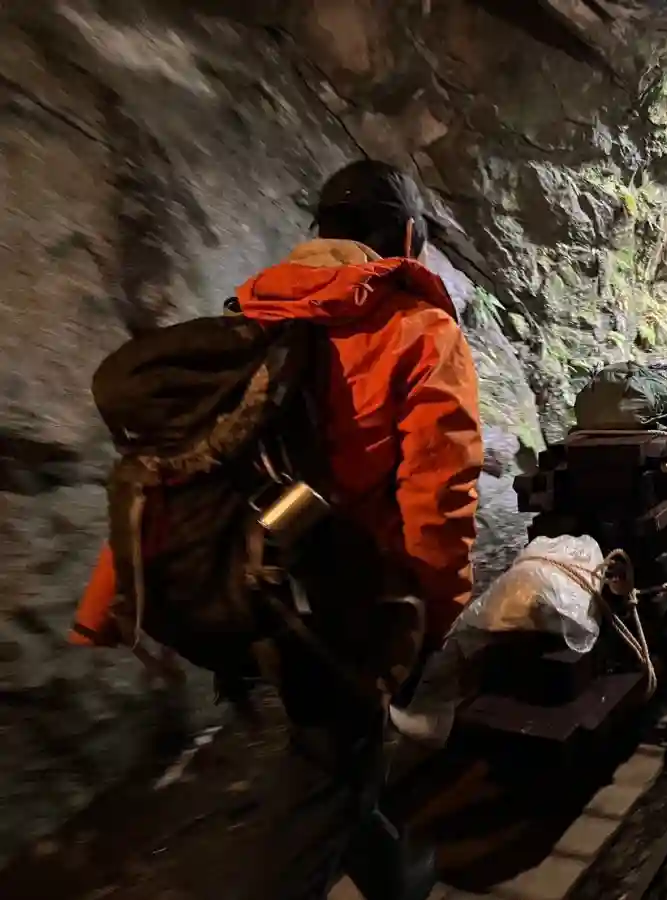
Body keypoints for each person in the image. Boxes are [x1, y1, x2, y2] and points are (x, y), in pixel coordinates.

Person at [72, 160, 484, 900]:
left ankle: (400, 875)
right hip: (349, 601)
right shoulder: (420, 332)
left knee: (332, 748)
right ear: (410, 240)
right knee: (328, 775)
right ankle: (385, 874)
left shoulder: (257, 316)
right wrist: (430, 619)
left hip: (252, 580)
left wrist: (111, 598)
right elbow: (439, 494)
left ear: (318, 234)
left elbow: (184, 455)